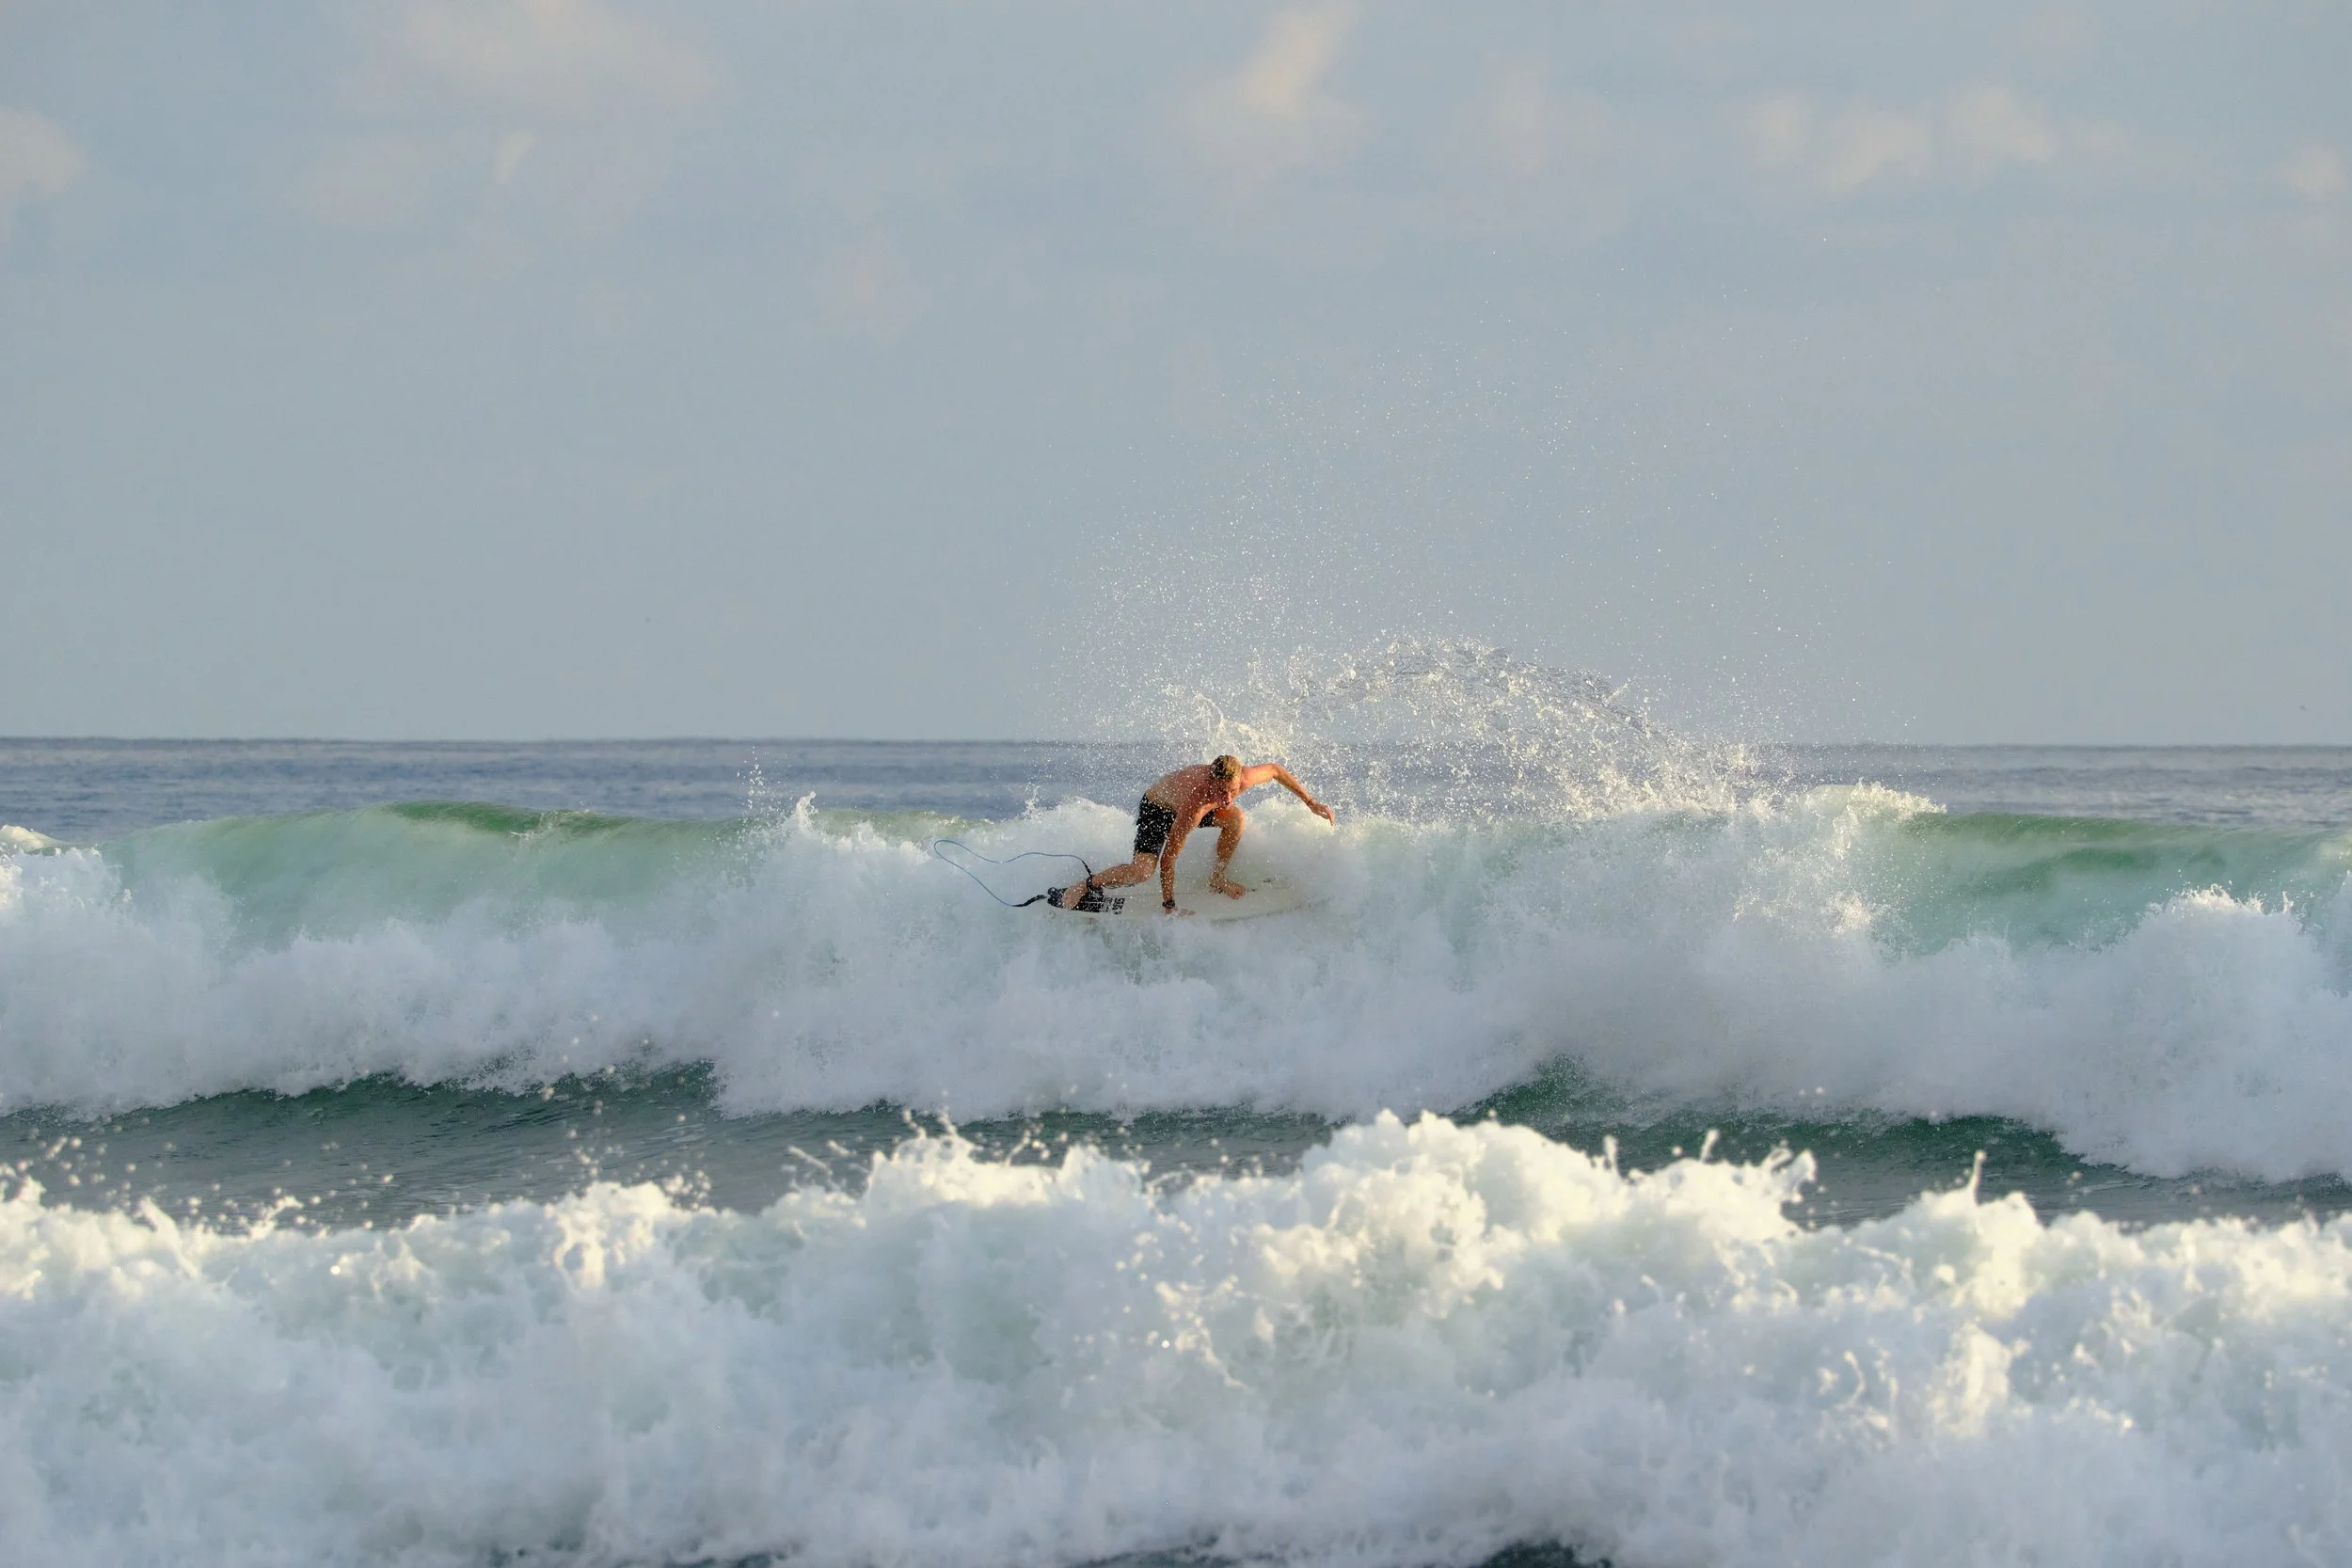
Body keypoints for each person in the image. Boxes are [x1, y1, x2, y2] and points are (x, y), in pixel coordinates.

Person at [1051, 754, 1335, 914]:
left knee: (1235, 817)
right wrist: (1169, 905)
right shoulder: (1195, 803)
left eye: (1232, 790)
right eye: (1220, 791)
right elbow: (1169, 859)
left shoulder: (1242, 779)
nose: (1226, 797)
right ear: (1210, 781)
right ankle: (1084, 886)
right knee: (1142, 871)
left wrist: (1310, 803)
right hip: (1158, 808)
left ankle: (1217, 878)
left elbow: (1275, 770)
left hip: (1185, 804)